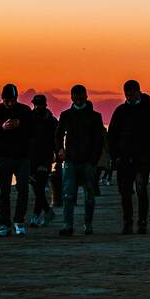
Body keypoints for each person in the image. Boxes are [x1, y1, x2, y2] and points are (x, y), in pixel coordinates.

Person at [107, 79, 150, 233]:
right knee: (125, 192)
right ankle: (128, 222)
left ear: (139, 92)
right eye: (128, 95)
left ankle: (142, 221)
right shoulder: (120, 111)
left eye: (133, 94)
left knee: (141, 188)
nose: (130, 97)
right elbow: (112, 135)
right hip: (124, 158)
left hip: (143, 157)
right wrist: (114, 155)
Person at [54, 84, 105, 236]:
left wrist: (94, 160)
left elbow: (99, 140)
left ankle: (88, 224)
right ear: (71, 98)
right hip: (70, 160)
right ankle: (67, 225)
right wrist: (60, 149)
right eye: (76, 98)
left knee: (89, 195)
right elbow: (58, 135)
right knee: (68, 194)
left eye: (81, 98)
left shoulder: (95, 117)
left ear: (86, 97)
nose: (78, 100)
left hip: (88, 161)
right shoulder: (66, 115)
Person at [0, 83, 33, 238]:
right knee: (3, 192)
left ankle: (19, 221)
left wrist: (20, 124)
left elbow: (34, 131)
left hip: (23, 157)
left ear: (16, 98)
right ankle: (4, 224)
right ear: (2, 98)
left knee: (23, 190)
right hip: (4, 157)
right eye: (6, 100)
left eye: (12, 100)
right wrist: (2, 127)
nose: (9, 103)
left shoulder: (25, 111)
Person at [27, 94, 58, 226]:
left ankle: (36, 215)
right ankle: (47, 211)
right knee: (36, 188)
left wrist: (58, 156)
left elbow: (57, 139)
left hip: (46, 157)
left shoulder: (52, 121)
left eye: (40, 104)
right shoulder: (28, 118)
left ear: (45, 105)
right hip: (30, 158)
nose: (38, 107)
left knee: (39, 186)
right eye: (36, 104)